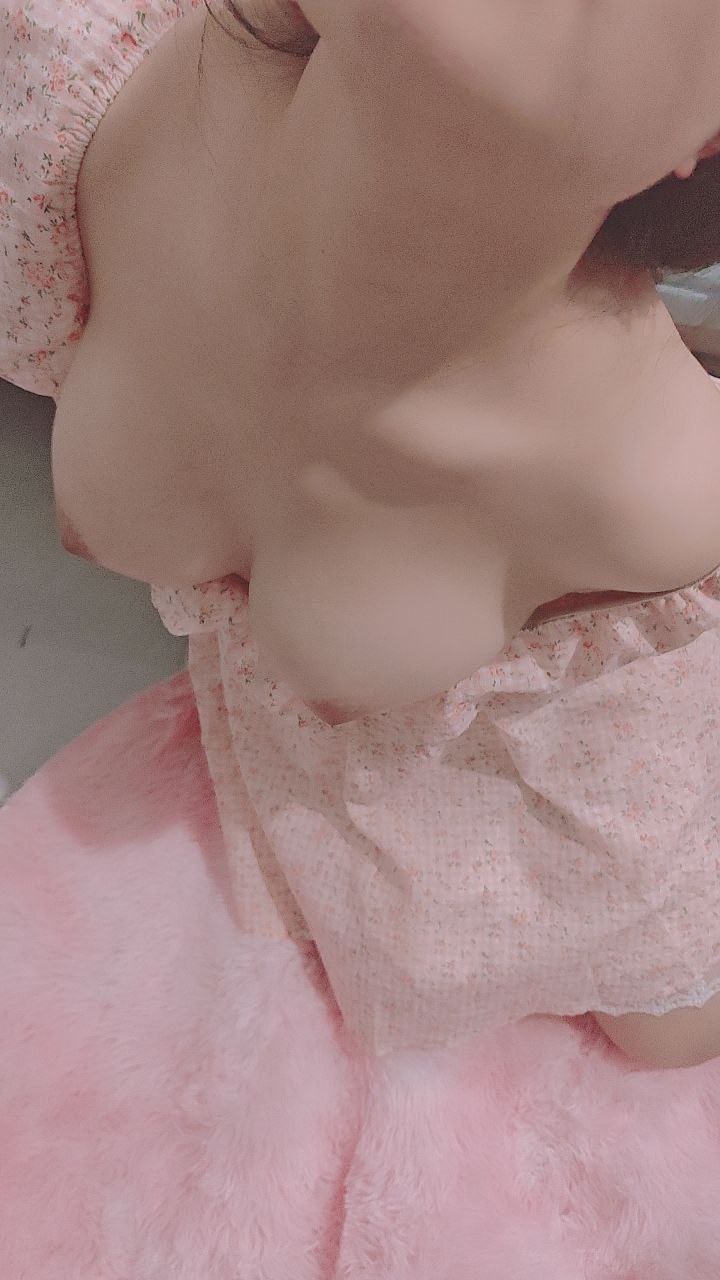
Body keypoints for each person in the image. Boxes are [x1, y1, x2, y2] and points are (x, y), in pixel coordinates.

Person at [5, 0, 720, 1074]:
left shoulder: (649, 482)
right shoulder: (53, 87)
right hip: (291, 794)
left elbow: (639, 852)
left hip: (505, 812)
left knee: (669, 1029)